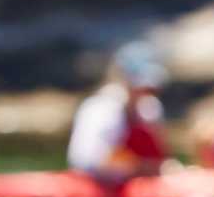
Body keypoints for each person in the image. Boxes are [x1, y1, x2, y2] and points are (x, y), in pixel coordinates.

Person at [67, 42, 172, 183]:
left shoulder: (150, 108)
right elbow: (86, 161)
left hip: (140, 185)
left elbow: (159, 157)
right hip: (99, 185)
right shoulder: (100, 110)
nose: (145, 91)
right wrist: (140, 166)